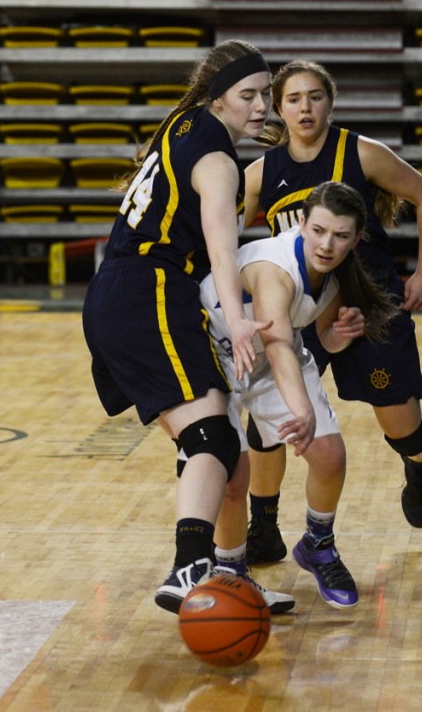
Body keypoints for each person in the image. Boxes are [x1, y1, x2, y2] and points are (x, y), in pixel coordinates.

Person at [80, 39, 286, 615]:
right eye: (248, 95)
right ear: (219, 98)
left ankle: (229, 574)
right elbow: (224, 246)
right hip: (148, 292)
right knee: (213, 438)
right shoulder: (218, 159)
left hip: (120, 291)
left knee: (231, 460)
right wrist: (240, 321)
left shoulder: (182, 123)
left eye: (266, 93)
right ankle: (188, 567)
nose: (261, 106)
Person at [242, 59, 422, 567]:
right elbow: (220, 230)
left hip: (368, 304)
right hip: (303, 310)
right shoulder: (260, 174)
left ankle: (419, 460)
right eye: (293, 99)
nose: (305, 107)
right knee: (268, 420)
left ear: (330, 102)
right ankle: (263, 526)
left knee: (399, 423)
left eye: (314, 97)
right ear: (278, 108)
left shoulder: (363, 153)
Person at [201, 181, 398, 608]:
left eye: (341, 236)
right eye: (320, 231)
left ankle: (318, 544)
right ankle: (230, 570)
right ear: (302, 224)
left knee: (330, 456)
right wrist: (302, 410)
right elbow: (275, 343)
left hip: (273, 354)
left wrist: (341, 334)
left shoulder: (337, 272)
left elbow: (322, 339)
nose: (328, 244)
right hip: (215, 354)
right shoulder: (276, 266)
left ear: (356, 239)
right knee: (232, 475)